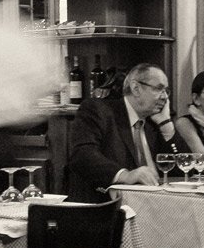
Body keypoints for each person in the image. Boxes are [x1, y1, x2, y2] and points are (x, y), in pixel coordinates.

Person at [66, 62, 191, 203]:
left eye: (166, 91)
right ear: (136, 88)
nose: (164, 97)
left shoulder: (153, 122)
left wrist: (166, 125)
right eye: (159, 89)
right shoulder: (98, 111)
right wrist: (125, 175)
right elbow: (82, 155)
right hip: (107, 209)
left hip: (154, 206)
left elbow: (185, 169)